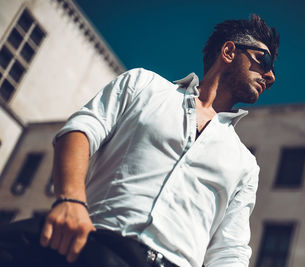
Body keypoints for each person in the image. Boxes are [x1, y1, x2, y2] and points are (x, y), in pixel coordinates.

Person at [2, 14, 279, 267]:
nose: (270, 76)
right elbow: (81, 131)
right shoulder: (143, 86)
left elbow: (230, 251)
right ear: (229, 51)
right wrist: (71, 200)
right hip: (94, 248)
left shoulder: (246, 164)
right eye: (263, 61)